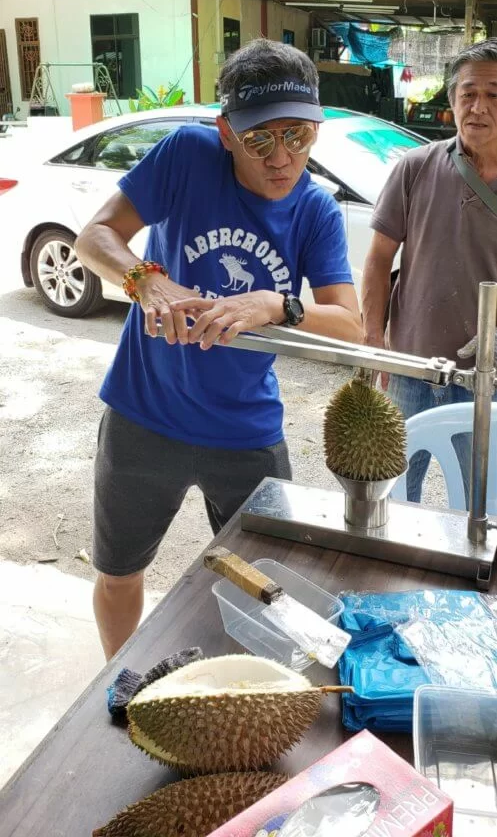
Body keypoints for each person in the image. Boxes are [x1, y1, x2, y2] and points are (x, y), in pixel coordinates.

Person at [75, 38, 363, 659]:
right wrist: (145, 278)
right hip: (143, 414)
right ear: (226, 132)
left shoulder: (314, 209)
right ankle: (118, 681)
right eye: (261, 139)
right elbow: (95, 235)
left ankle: (248, 693)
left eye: (298, 136)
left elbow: (350, 324)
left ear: (317, 128)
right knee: (120, 571)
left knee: (270, 585)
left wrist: (276, 304)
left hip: (245, 428)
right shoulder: (187, 155)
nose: (281, 157)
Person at [362, 38, 497, 504]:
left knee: (481, 500)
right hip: (410, 367)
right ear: (452, 99)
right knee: (392, 495)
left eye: (494, 95)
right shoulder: (415, 167)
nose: (478, 107)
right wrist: (373, 343)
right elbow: (379, 258)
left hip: (487, 377)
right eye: (468, 93)